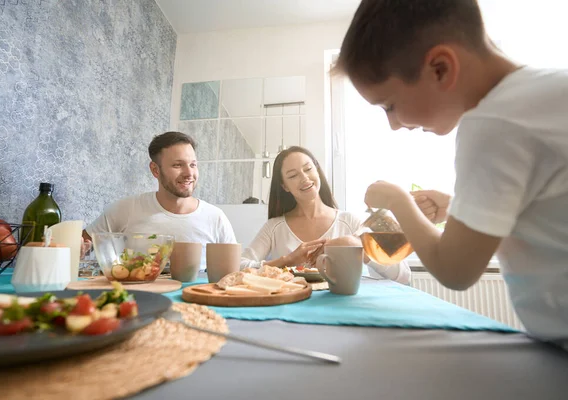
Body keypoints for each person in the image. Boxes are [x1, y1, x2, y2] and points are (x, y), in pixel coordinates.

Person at [334, 0, 568, 342]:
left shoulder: (491, 123)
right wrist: (460, 206)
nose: (394, 125)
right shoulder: (549, 89)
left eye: (390, 105)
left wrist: (399, 201)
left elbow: (455, 270)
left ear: (440, 68)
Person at [240, 146, 411, 284]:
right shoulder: (274, 227)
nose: (304, 178)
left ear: (317, 170)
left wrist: (357, 248)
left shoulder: (349, 221)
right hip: (291, 308)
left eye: (308, 169)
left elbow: (403, 275)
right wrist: (288, 259)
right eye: (293, 175)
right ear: (284, 186)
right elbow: (240, 266)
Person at [84, 131, 237, 268]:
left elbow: (233, 271)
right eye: (178, 165)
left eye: (193, 164)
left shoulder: (216, 217)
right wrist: (76, 248)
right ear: (155, 170)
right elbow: (82, 244)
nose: (189, 173)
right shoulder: (127, 209)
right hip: (141, 296)